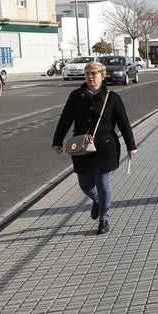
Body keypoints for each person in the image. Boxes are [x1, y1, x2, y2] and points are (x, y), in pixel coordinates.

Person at [51, 61, 138, 234]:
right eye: (88, 74)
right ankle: (96, 200)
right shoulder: (76, 96)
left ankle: (104, 219)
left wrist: (131, 145)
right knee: (85, 184)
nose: (90, 77)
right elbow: (66, 119)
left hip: (106, 148)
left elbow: (124, 123)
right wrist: (57, 140)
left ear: (102, 76)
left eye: (94, 74)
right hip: (81, 147)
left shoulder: (112, 98)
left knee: (103, 182)